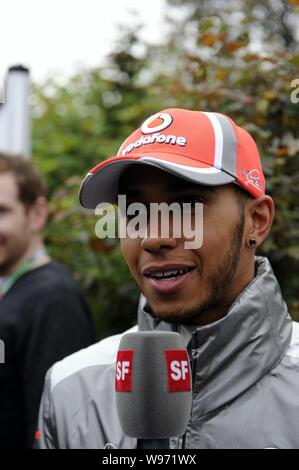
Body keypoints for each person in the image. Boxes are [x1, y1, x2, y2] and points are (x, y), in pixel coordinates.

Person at [37, 108, 299, 449]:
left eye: (188, 204)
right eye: (134, 211)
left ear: (257, 221)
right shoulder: (71, 387)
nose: (153, 237)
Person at [0, 154, 95, 449]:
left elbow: (55, 429)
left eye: (1, 211)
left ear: (37, 214)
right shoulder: (15, 292)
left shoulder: (52, 300)